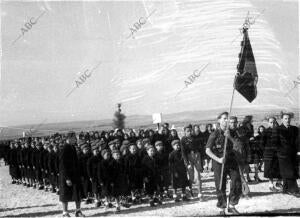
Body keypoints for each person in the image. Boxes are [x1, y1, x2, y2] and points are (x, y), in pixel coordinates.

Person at [206, 112, 242, 215]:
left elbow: (238, 146)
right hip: (219, 162)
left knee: (237, 182)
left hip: (231, 160)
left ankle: (231, 205)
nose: (226, 120)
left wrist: (230, 137)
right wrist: (218, 159)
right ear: (219, 120)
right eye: (224, 118)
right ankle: (222, 208)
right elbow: (207, 150)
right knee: (220, 185)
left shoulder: (233, 132)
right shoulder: (214, 134)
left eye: (228, 118)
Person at [272, 112, 300, 197]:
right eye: (285, 119)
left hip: (293, 154)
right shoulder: (277, 129)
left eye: (289, 118)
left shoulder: (294, 129)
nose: (287, 120)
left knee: (291, 171)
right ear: (282, 119)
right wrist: (280, 151)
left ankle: (285, 189)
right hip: (283, 155)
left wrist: (298, 150)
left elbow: (298, 141)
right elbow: (274, 143)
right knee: (289, 172)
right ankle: (293, 190)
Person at [59, 131, 84, 217]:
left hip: (75, 175)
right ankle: (65, 212)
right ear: (69, 138)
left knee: (77, 193)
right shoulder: (65, 149)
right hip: (67, 176)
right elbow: (63, 165)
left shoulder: (72, 147)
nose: (75, 139)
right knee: (65, 194)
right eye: (74, 138)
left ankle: (78, 211)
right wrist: (67, 178)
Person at [181, 125, 203, 200]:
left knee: (198, 176)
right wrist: (187, 163)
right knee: (191, 176)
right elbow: (183, 152)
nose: (189, 132)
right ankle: (190, 190)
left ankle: (200, 193)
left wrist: (201, 162)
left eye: (190, 131)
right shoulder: (183, 139)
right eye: (187, 131)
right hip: (188, 157)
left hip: (197, 156)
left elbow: (200, 148)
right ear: (184, 132)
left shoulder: (195, 137)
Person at [261, 117, 281, 192]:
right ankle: (271, 185)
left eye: (274, 122)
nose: (272, 124)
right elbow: (262, 144)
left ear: (276, 122)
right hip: (268, 154)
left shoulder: (278, 131)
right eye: (271, 122)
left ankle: (278, 183)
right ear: (268, 123)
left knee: (278, 168)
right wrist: (266, 151)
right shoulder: (265, 132)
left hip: (277, 154)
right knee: (269, 170)